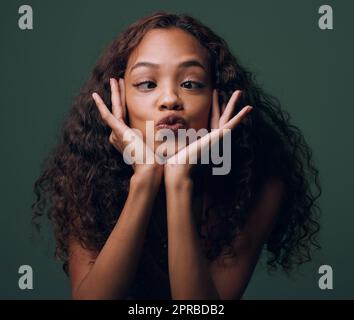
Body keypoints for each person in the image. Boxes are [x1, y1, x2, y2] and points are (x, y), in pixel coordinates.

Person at [32, 11, 321, 300]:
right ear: (118, 100)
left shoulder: (260, 182)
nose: (170, 99)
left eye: (190, 83)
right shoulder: (86, 175)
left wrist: (178, 180)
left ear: (216, 99)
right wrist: (145, 178)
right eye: (147, 84)